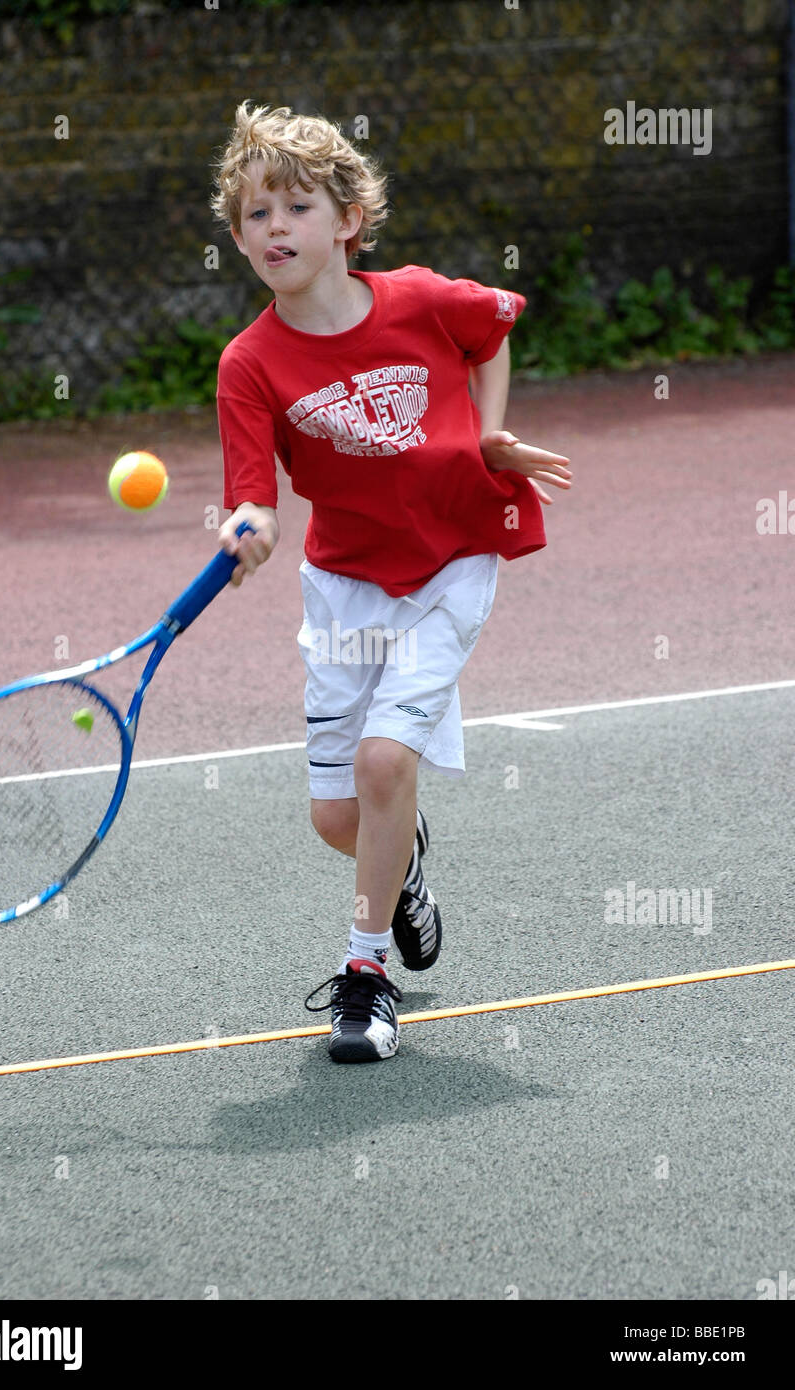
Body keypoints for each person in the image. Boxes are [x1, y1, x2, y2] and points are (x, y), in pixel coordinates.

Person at [211, 101, 571, 1063]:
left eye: (294, 207)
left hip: (455, 557)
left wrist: (489, 434)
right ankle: (404, 868)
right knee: (340, 816)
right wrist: (245, 529)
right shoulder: (249, 364)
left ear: (347, 223)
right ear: (239, 238)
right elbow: (255, 497)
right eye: (255, 215)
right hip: (344, 589)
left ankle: (366, 979)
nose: (274, 227)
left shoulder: (417, 299)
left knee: (382, 767)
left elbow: (491, 331)